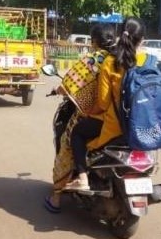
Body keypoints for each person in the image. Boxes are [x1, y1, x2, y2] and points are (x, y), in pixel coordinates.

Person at [65, 17, 149, 192]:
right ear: (142, 40)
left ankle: (82, 177)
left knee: (77, 132)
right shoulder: (149, 61)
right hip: (144, 126)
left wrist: (87, 110)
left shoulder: (110, 63)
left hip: (115, 126)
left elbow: (103, 104)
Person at [44, 24, 116, 213]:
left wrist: (58, 90)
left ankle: (57, 197)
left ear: (93, 42)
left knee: (67, 143)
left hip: (95, 118)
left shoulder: (93, 59)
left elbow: (70, 83)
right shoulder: (119, 58)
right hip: (117, 120)